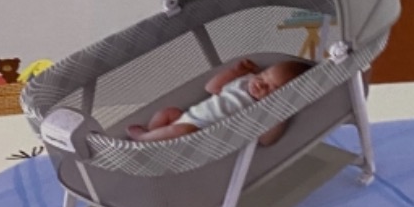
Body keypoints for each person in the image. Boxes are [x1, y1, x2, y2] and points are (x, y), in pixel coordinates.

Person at [126, 57, 308, 145]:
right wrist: (234, 72)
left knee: (182, 130)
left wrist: (280, 117)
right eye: (263, 76)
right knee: (169, 112)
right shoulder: (245, 80)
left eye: (269, 87)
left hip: (200, 132)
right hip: (187, 117)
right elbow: (211, 88)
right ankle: (153, 134)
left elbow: (266, 141)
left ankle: (143, 139)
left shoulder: (265, 110)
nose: (260, 83)